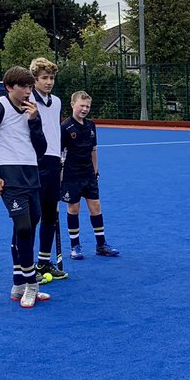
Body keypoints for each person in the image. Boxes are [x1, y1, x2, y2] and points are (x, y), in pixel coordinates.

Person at [0, 66, 50, 308]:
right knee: (24, 227)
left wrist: (35, 121)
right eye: (23, 87)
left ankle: (18, 283)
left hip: (31, 175)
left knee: (28, 226)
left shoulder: (31, 111)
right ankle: (31, 285)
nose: (28, 91)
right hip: (10, 177)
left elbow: (41, 148)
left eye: (29, 86)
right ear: (9, 87)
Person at [60, 91, 119, 259]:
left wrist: (96, 170)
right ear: (72, 105)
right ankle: (75, 246)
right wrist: (60, 177)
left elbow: (93, 150)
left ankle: (101, 245)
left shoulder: (91, 125)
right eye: (82, 105)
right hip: (71, 175)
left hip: (88, 174)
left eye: (88, 106)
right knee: (74, 208)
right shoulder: (65, 127)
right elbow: (61, 154)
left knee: (96, 207)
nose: (85, 109)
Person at [29, 57, 68, 282]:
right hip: (36, 161)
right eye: (44, 78)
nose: (49, 82)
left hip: (54, 161)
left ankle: (44, 261)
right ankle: (27, 265)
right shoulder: (29, 101)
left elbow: (56, 131)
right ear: (35, 80)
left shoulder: (58, 102)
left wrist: (61, 159)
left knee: (50, 215)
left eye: (52, 78)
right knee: (34, 215)